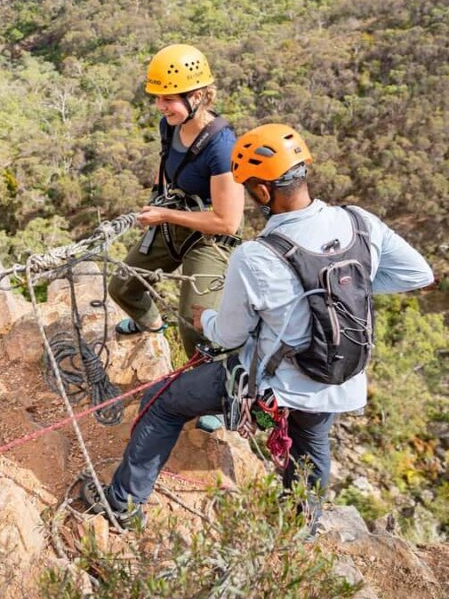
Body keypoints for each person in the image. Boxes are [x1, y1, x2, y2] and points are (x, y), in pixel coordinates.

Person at [85, 123, 434, 528]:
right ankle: (297, 532)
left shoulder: (256, 256)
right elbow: (417, 274)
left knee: (164, 403)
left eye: (250, 188)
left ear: (264, 192)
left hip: (275, 383)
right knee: (312, 442)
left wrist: (205, 318)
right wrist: (347, 286)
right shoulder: (359, 223)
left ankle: (122, 505)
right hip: (338, 380)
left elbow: (228, 336)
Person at [109, 43, 244, 362]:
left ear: (196, 96)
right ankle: (152, 326)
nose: (160, 106)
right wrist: (158, 194)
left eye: (168, 99)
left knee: (195, 326)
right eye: (158, 98)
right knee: (123, 286)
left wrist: (164, 214)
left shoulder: (222, 147)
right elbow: (166, 160)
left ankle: (214, 396)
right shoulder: (170, 126)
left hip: (210, 239)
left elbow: (227, 222)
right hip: (172, 221)